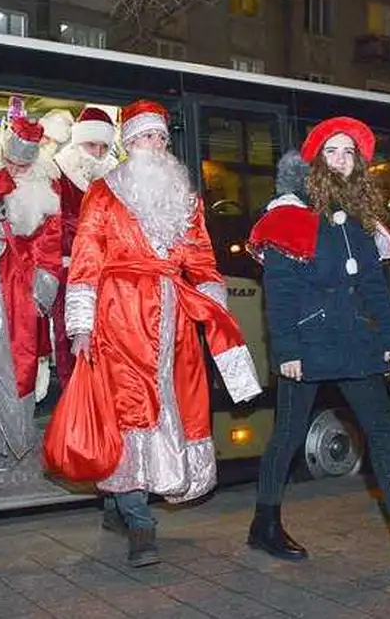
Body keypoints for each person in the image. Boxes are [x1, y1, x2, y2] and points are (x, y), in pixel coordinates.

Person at [245, 117, 390, 573]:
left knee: (384, 433)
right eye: (332, 151)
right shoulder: (289, 216)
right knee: (287, 434)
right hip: (308, 345)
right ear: (315, 159)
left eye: (349, 153)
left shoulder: (362, 219)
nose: (341, 160)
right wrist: (286, 350)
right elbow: (280, 291)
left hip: (358, 344)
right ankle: (265, 524)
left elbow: (372, 285)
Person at [61, 99, 262, 567]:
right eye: (149, 137)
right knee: (130, 414)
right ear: (130, 143)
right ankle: (140, 523)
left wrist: (215, 316)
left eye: (162, 139)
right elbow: (87, 259)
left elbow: (202, 262)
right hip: (120, 318)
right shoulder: (104, 194)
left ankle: (117, 505)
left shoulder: (184, 198)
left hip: (174, 324)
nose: (158, 146)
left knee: (172, 409)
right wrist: (81, 325)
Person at [0, 116, 64, 460]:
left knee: (21, 358)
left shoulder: (48, 188)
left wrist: (42, 286)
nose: (15, 169)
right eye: (10, 162)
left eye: (22, 164)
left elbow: (51, 240)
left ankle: (13, 436)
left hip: (23, 282)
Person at [49, 106, 120, 388]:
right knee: (72, 349)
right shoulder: (58, 173)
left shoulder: (116, 181)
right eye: (92, 144)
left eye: (104, 146)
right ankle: (75, 413)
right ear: (79, 142)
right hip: (69, 275)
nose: (99, 153)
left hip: (109, 278)